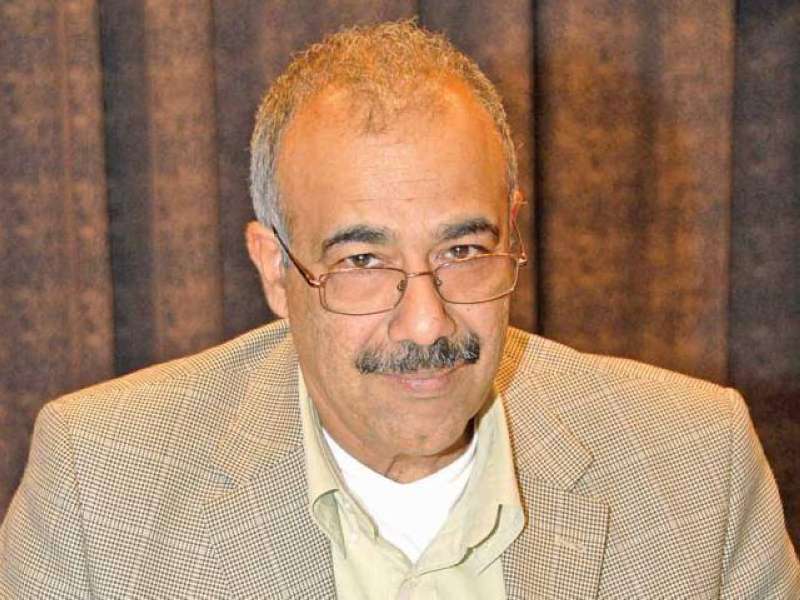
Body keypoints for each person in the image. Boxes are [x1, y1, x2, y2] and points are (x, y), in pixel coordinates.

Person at [1, 20, 797, 599]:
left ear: (513, 232)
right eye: (362, 262)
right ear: (276, 270)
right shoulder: (100, 486)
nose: (426, 323)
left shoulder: (697, 465)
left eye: (462, 250)